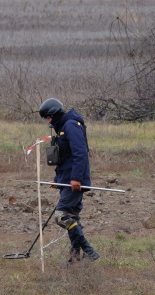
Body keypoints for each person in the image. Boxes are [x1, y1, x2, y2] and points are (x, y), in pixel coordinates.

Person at [38, 98, 100, 263]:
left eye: (48, 118)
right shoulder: (63, 128)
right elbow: (64, 158)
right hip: (66, 180)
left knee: (61, 215)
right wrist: (57, 179)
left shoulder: (71, 125)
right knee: (72, 216)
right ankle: (75, 258)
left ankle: (89, 250)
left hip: (75, 181)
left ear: (54, 114)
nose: (47, 121)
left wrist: (76, 178)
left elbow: (80, 153)